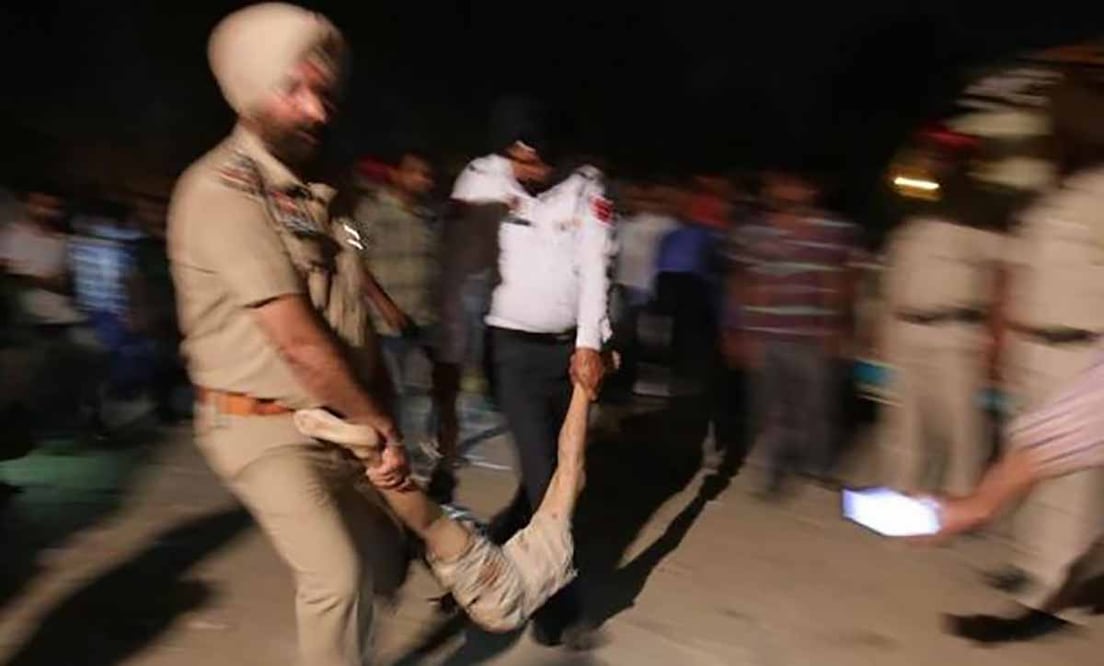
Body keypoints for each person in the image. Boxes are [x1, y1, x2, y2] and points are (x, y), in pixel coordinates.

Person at [167, 6, 409, 665]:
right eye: (294, 90)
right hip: (265, 426)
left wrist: (384, 408)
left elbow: (349, 310)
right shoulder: (220, 193)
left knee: (389, 562)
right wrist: (379, 424)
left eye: (324, 92)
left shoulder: (323, 189)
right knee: (338, 578)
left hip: (343, 413)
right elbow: (300, 342)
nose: (317, 110)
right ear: (248, 89)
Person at [938, 72, 1104, 644]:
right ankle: (1033, 567)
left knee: (1064, 477)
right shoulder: (1056, 194)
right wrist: (1002, 341)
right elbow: (1022, 276)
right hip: (1035, 348)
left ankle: (1048, 601)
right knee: (1031, 462)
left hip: (1080, 350)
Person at [293, 355, 613, 633]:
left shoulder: (554, 529)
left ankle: (372, 463)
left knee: (438, 526)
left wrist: (583, 391)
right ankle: (370, 457)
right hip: (497, 592)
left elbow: (571, 459)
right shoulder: (542, 564)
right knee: (432, 526)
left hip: (491, 567)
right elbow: (573, 464)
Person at [446, 119, 614, 648]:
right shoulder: (481, 179)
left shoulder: (586, 190)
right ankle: (554, 599)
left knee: (546, 470)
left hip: (568, 352)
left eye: (536, 159)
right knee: (548, 475)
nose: (526, 170)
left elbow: (595, 270)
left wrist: (589, 344)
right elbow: (456, 261)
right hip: (510, 351)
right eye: (516, 157)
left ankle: (488, 552)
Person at [879, 130, 1004, 495]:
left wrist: (997, 338)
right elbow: (895, 276)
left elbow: (1001, 276)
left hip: (954, 330)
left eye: (943, 157)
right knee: (903, 419)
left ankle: (962, 499)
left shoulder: (981, 211)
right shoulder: (911, 208)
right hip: (906, 326)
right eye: (931, 156)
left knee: (962, 423)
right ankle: (902, 489)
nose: (933, 162)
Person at [730, 172, 861, 498]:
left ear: (812, 190)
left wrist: (839, 327)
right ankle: (774, 474)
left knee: (817, 408)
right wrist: (741, 331)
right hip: (767, 335)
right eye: (781, 183)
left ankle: (817, 471)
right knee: (772, 409)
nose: (787, 190)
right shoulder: (753, 232)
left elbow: (844, 280)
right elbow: (742, 281)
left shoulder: (834, 231)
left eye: (796, 184)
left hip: (813, 337)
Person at [355, 150, 459, 501]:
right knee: (391, 400)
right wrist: (384, 306)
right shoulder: (370, 212)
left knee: (440, 397)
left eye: (427, 175)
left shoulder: (432, 215)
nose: (424, 181)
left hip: (430, 320)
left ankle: (437, 472)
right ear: (397, 174)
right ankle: (391, 474)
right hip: (388, 326)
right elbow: (354, 262)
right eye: (416, 173)